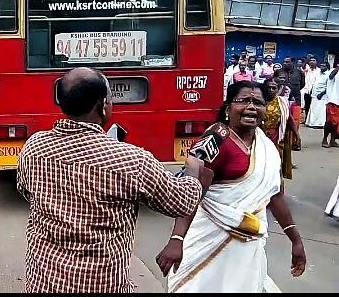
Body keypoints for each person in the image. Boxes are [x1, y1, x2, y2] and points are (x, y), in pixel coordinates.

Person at [17, 67, 210, 293]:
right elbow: (182, 201)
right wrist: (193, 169)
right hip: (102, 285)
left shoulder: (34, 146)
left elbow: (26, 189)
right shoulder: (132, 160)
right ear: (103, 105)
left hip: (43, 282)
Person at [159, 81, 306, 292]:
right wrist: (176, 239)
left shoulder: (266, 148)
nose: (251, 107)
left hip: (247, 248)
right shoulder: (218, 138)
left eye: (258, 102)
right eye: (244, 100)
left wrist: (296, 240)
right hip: (207, 243)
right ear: (228, 108)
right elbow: (193, 192)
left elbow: (275, 196)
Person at [261, 77, 301, 178]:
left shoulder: (282, 102)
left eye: (273, 88)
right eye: (268, 88)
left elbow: (289, 119)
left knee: (276, 166)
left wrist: (297, 135)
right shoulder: (259, 101)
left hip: (277, 139)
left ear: (278, 89)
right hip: (260, 138)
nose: (270, 90)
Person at [306, 62, 329, 130]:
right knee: (313, 109)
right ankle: (311, 123)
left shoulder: (328, 75)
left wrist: (322, 94)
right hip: (314, 94)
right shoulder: (318, 73)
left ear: (327, 67)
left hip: (322, 96)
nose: (321, 67)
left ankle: (319, 124)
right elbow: (315, 83)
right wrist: (311, 91)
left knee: (320, 110)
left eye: (323, 66)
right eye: (321, 66)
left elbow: (328, 86)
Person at [325, 61, 339, 148]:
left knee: (337, 123)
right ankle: (324, 139)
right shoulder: (334, 71)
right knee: (330, 122)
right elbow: (330, 77)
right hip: (333, 101)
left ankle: (333, 140)